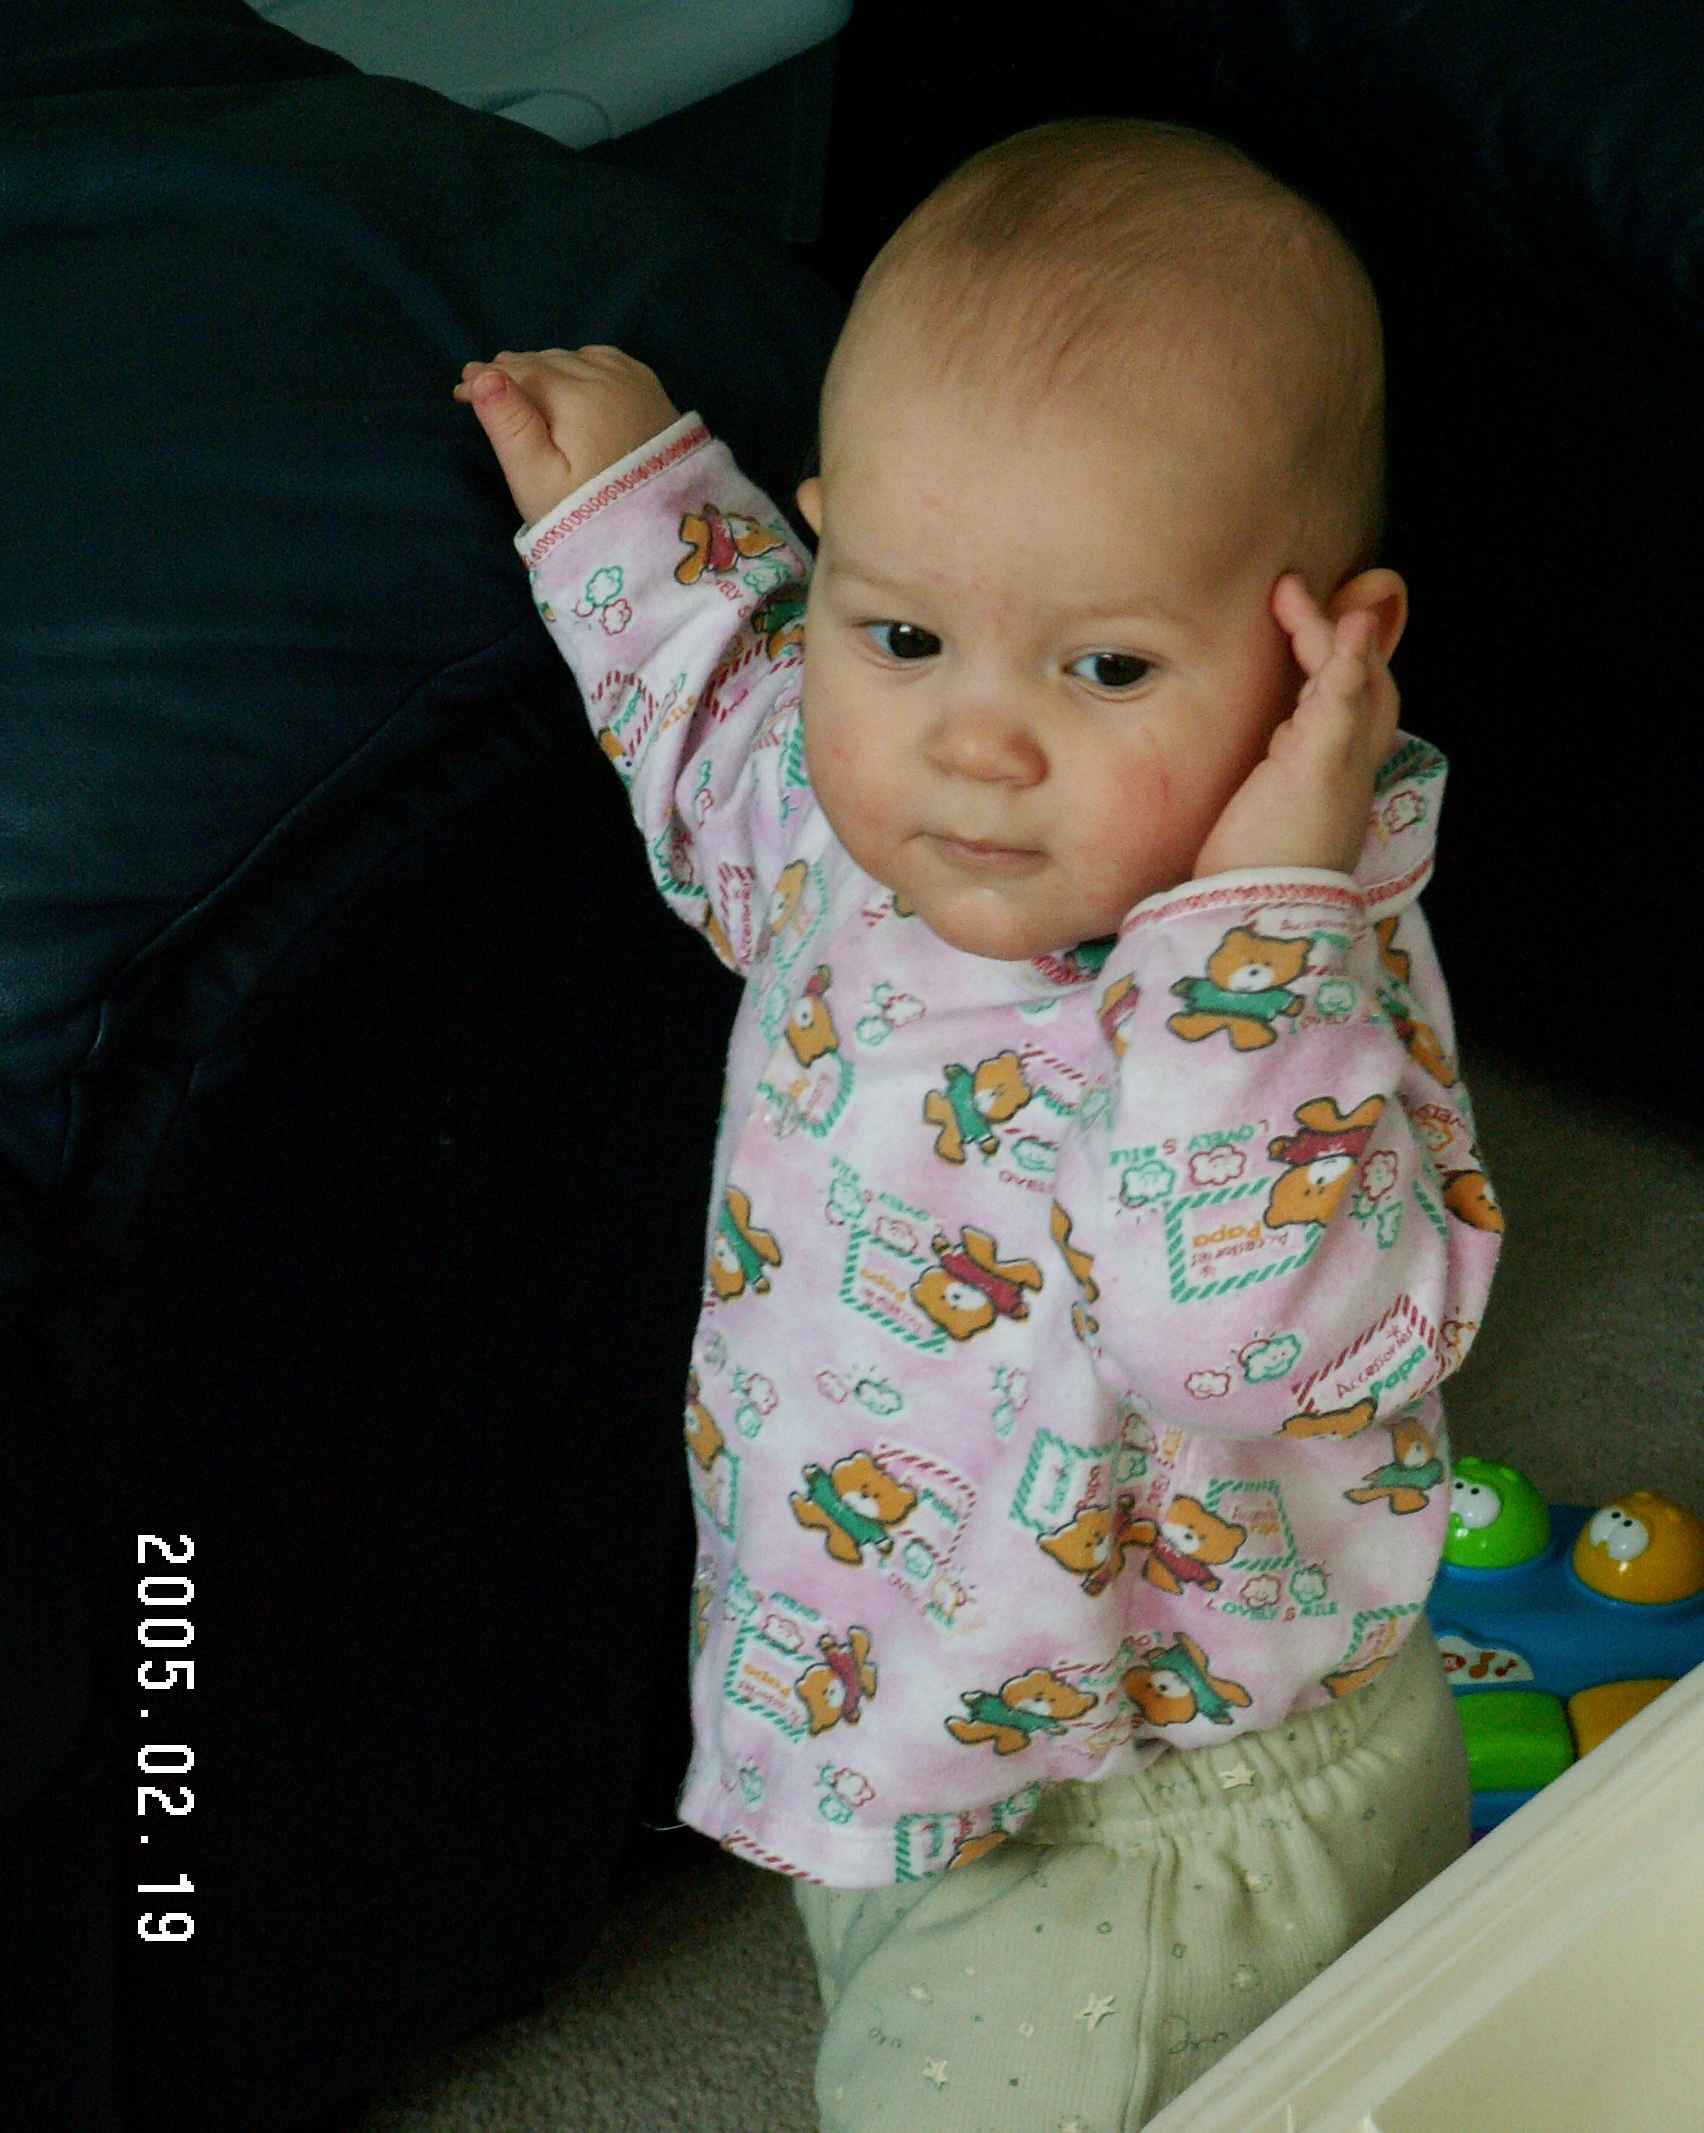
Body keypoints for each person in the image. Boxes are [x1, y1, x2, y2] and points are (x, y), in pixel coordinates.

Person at [453, 116, 1503, 2132]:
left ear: (1323, 664)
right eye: (905, 632)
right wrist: (628, 508)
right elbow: (722, 727)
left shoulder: (1291, 992)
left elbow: (1230, 1329)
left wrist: (1259, 909)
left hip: (1159, 1830)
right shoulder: (864, 844)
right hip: (910, 1731)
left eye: (1106, 664)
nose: (977, 739)